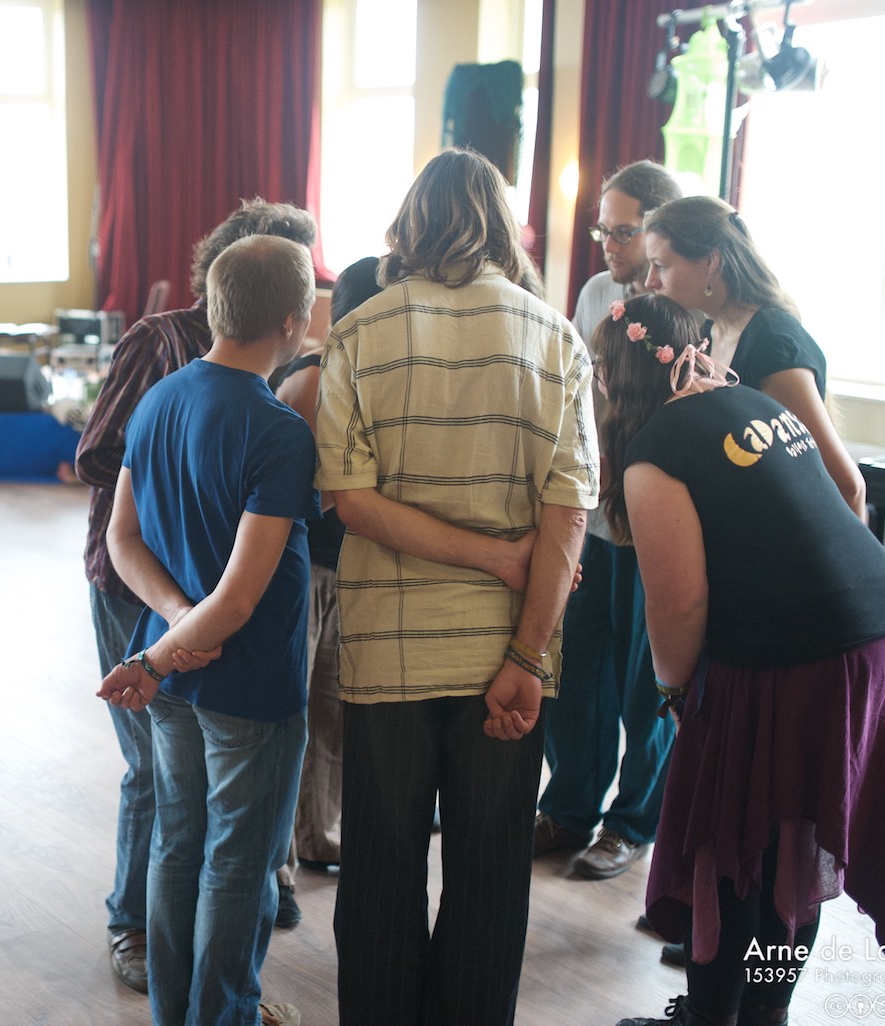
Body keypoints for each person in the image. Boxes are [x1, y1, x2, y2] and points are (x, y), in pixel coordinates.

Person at [316, 149, 597, 1026]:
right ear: (503, 226)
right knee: (489, 875)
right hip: (506, 653)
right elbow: (568, 516)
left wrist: (487, 557)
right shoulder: (555, 338)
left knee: (378, 869)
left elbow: (351, 503)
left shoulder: (357, 333)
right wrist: (526, 651)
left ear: (409, 225)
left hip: (386, 650)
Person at [593, 294, 885, 1026]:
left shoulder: (655, 450)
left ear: (613, 380)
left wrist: (674, 695)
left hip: (800, 653)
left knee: (732, 841)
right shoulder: (749, 403)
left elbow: (679, 604)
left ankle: (715, 1016)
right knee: (792, 843)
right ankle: (763, 1010)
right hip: (883, 631)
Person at [73, 198, 319, 994]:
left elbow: (122, 540)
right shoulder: (277, 429)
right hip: (245, 678)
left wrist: (172, 628)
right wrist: (168, 646)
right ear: (293, 321)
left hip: (173, 666)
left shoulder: (158, 397)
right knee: (238, 862)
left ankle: (174, 1011)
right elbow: (239, 601)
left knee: (178, 843)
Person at [535, 160, 683, 880]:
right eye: (602, 230)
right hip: (590, 516)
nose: (608, 245)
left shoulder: (684, 309)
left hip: (652, 525)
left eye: (623, 232)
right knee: (571, 670)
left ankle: (630, 824)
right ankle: (568, 807)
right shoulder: (596, 293)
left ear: (657, 231)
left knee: (641, 684)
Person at [265, 256, 380, 925]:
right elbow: (300, 497)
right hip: (303, 567)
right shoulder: (312, 379)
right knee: (293, 715)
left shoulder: (369, 372)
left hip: (347, 567)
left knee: (331, 712)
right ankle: (276, 864)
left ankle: (317, 834)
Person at [643, 195, 866, 519]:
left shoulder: (771, 344)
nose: (650, 281)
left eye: (661, 266)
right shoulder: (709, 331)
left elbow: (847, 486)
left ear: (711, 262)